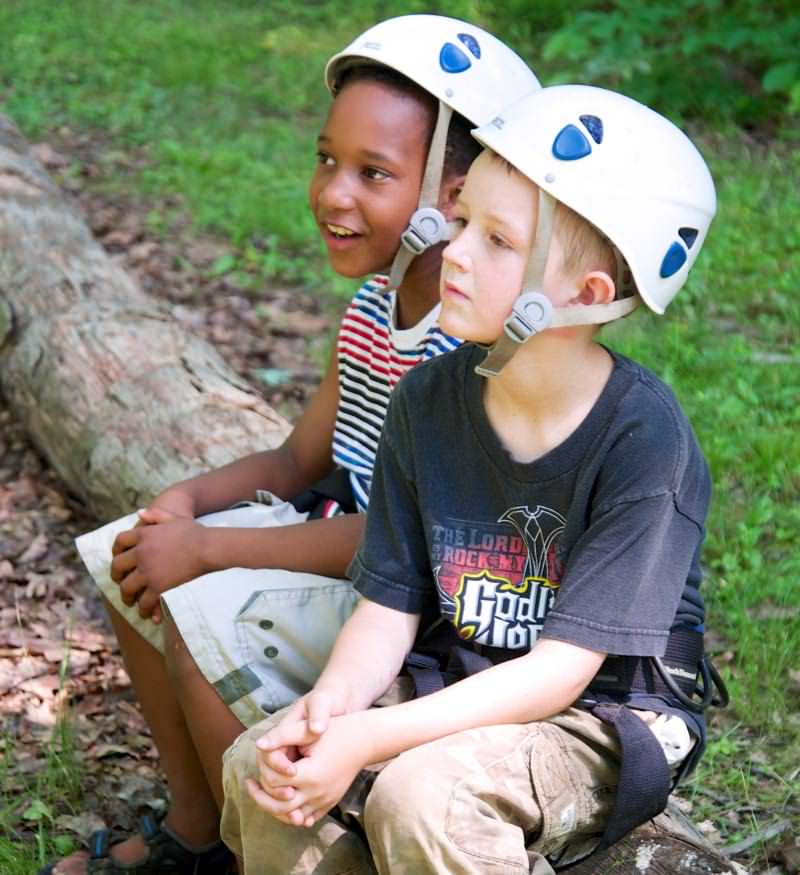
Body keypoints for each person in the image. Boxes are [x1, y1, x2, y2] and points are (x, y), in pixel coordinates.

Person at [45, 15, 540, 875]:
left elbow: (406, 541)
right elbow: (294, 461)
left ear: (460, 193)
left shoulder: (471, 354)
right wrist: (185, 506)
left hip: (409, 609)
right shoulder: (374, 312)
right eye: (326, 159)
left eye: (372, 173)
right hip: (340, 551)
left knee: (199, 609)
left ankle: (266, 846)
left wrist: (210, 550)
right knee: (130, 557)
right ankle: (197, 830)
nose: (332, 192)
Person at [219, 84, 727, 875]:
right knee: (264, 764)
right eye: (462, 222)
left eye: (497, 241)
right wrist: (338, 704)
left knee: (426, 797)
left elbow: (562, 672)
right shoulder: (427, 400)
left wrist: (371, 738)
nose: (452, 251)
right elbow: (388, 606)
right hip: (463, 667)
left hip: (600, 712)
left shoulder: (643, 441)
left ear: (585, 296)